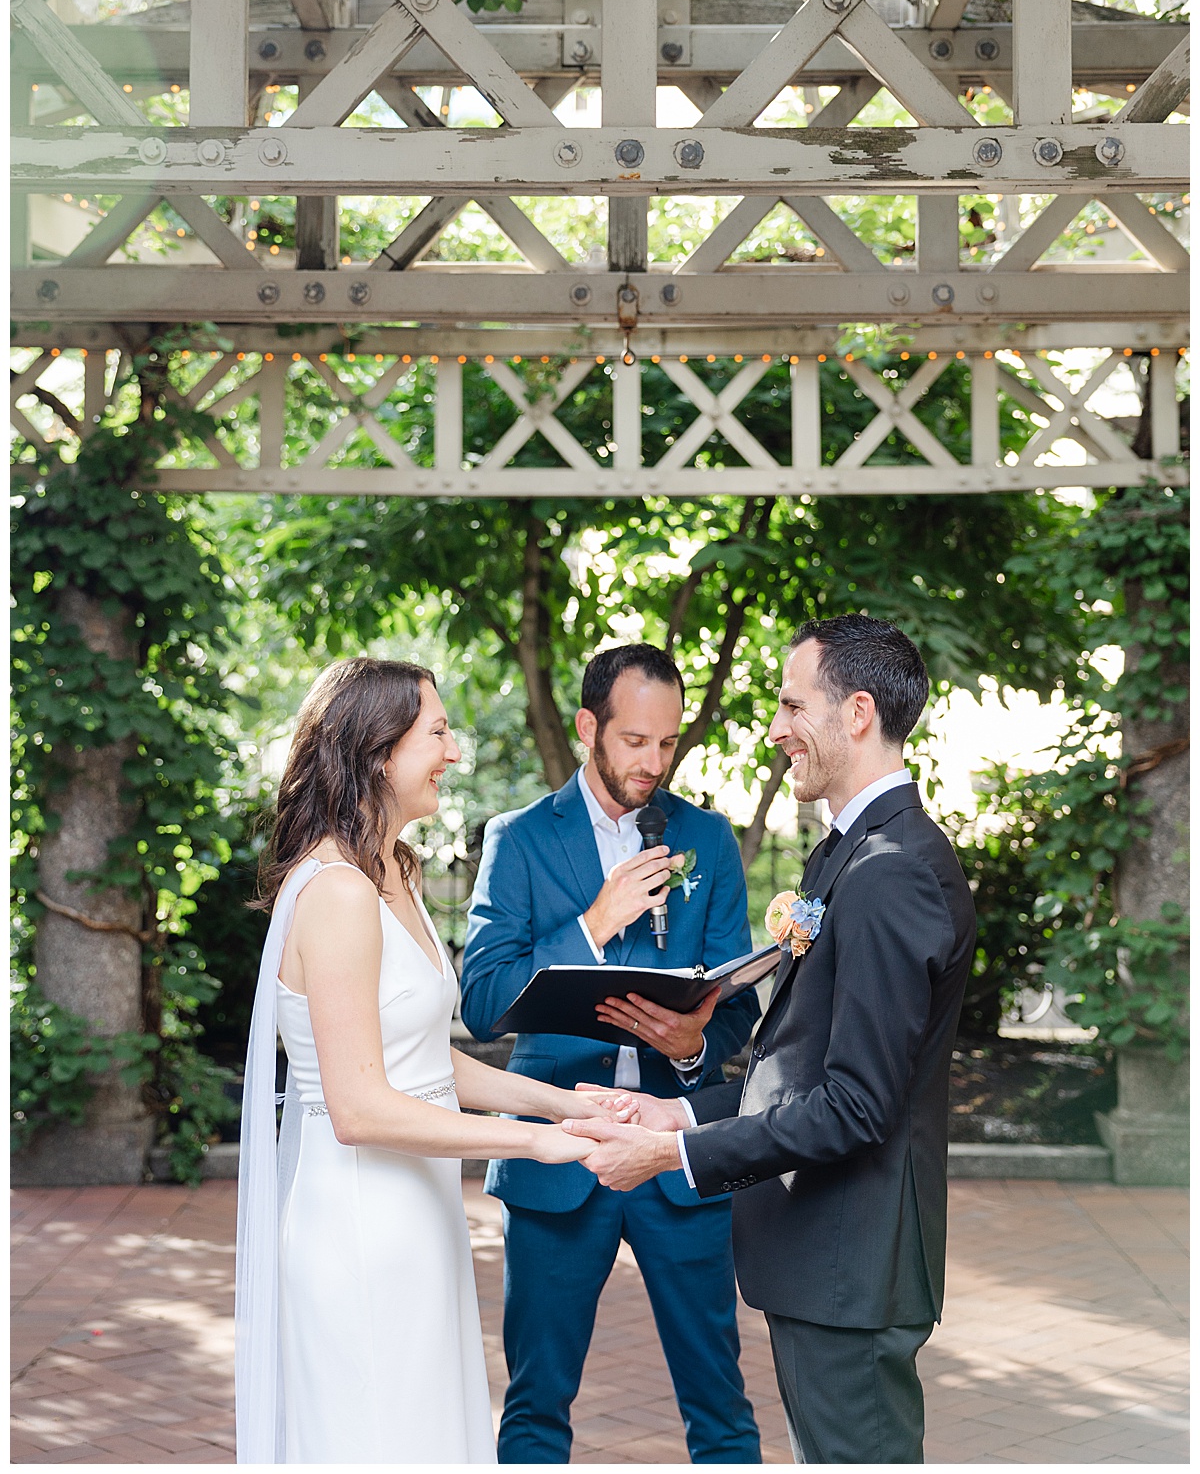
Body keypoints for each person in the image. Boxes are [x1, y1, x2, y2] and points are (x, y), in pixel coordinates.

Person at [564, 616, 977, 1466]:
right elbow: (803, 1067)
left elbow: (857, 1104)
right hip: (825, 1261)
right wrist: (676, 1114)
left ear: (857, 712)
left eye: (794, 704)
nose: (777, 727)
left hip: (852, 1266)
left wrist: (678, 1156)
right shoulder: (849, 853)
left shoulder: (891, 867)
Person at [235, 657, 618, 1466]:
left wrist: (559, 1104)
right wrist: (532, 1141)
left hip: (419, 1212)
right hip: (360, 1222)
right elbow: (361, 1105)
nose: (455, 751)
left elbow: (422, 1055)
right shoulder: (336, 891)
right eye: (438, 732)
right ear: (379, 752)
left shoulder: (395, 871)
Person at [460, 644, 763, 1464]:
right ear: (589, 726)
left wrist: (696, 1044)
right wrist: (592, 923)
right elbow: (482, 1001)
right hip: (559, 1153)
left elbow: (738, 1015)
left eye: (666, 744)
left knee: (721, 1404)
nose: (652, 762)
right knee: (534, 1404)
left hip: (673, 1156)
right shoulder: (518, 838)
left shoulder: (707, 838)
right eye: (634, 740)